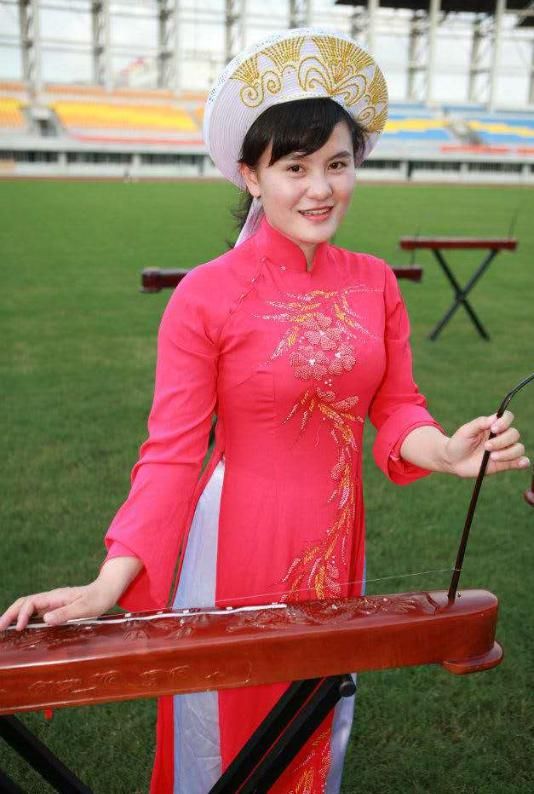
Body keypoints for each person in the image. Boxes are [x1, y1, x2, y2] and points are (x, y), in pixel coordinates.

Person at [0, 28, 529, 794]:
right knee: (226, 738)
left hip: (338, 541)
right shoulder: (205, 295)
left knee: (314, 726)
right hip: (236, 545)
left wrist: (447, 450)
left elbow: (396, 408)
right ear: (251, 175)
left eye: (337, 165)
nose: (321, 188)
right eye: (295, 167)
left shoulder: (376, 282)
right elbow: (172, 453)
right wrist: (107, 584)